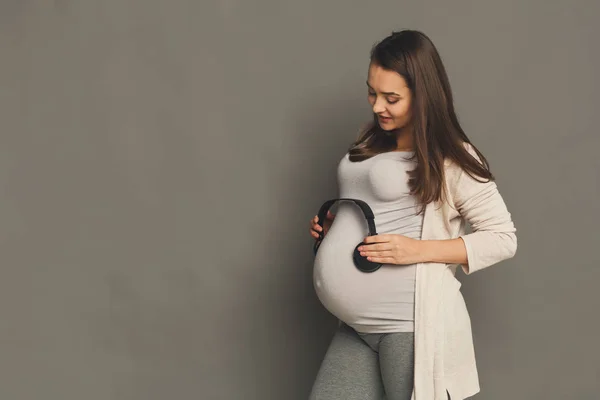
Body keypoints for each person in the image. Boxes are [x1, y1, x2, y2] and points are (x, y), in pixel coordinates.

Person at [307, 30, 517, 400]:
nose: (377, 106)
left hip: (409, 327)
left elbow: (502, 238)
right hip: (356, 327)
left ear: (423, 97)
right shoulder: (371, 141)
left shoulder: (451, 158)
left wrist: (417, 250)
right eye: (372, 92)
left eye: (392, 98)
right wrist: (334, 231)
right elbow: (378, 209)